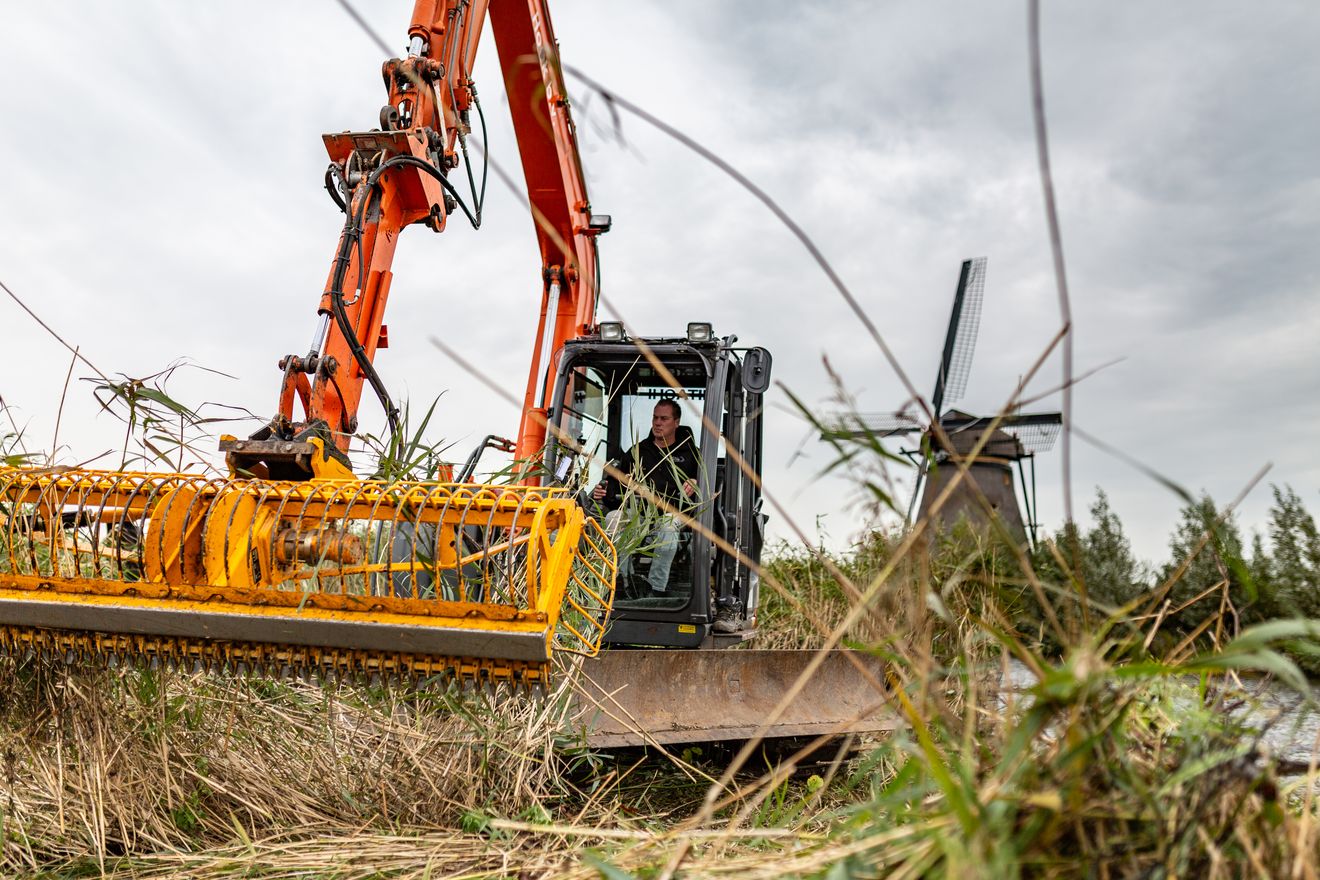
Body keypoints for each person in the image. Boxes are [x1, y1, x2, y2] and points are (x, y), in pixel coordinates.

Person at [592, 399, 699, 599]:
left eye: (664, 419)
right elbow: (614, 488)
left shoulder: (692, 454)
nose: (658, 423)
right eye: (655, 418)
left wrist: (696, 482)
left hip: (673, 514)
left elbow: (707, 489)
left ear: (676, 422)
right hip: (639, 514)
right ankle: (622, 581)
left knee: (667, 526)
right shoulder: (637, 451)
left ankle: (655, 589)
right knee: (613, 518)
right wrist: (603, 493)